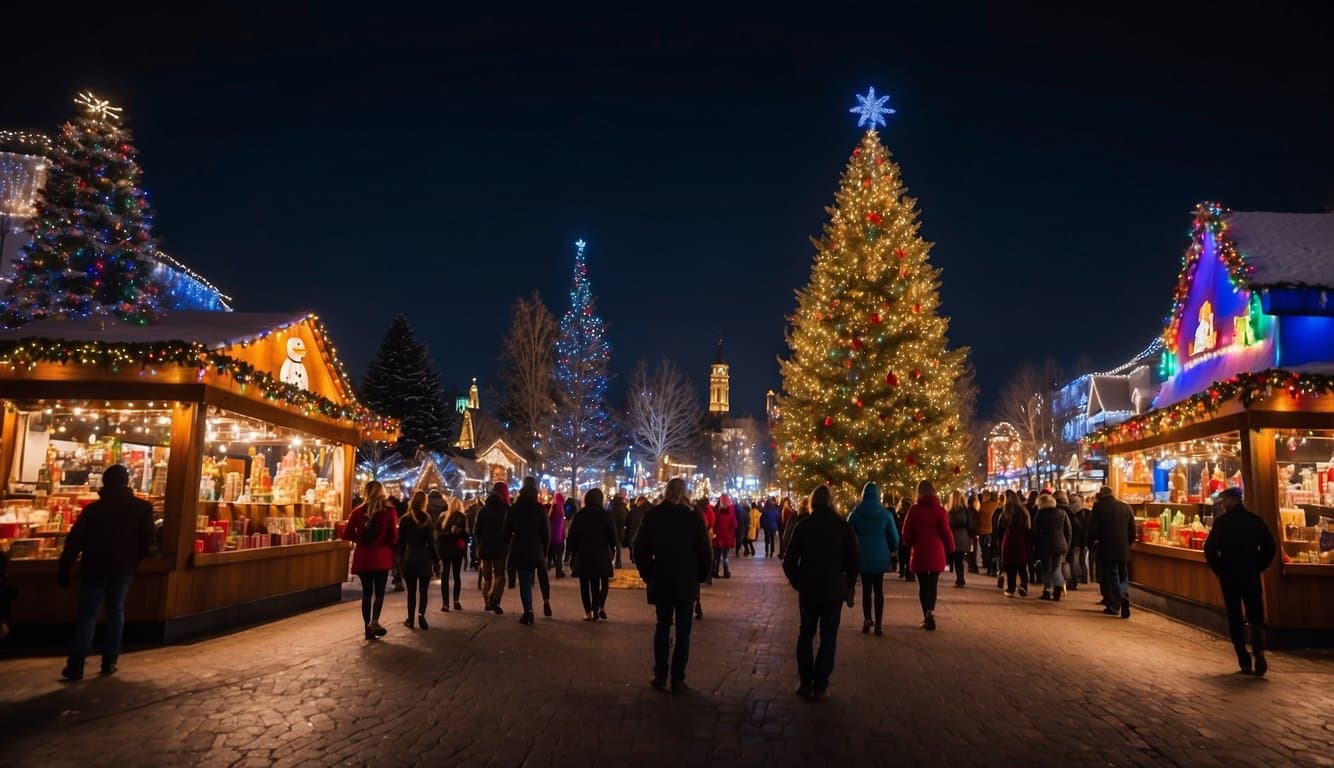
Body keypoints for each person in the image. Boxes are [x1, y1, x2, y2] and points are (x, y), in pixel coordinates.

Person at [57, 464, 155, 679]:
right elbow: (148, 539)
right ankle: (109, 661)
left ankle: (76, 665)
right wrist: (135, 559)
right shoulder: (142, 508)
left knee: (87, 615)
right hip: (123, 568)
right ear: (126, 482)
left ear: (105, 483)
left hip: (93, 567)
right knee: (116, 612)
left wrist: (64, 565)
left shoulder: (93, 510)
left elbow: (75, 540)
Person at [635, 478, 712, 694]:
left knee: (662, 625)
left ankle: (660, 673)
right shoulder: (693, 517)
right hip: (685, 580)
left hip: (662, 578)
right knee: (683, 630)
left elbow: (639, 549)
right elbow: (705, 551)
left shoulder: (654, 515)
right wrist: (699, 576)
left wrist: (648, 574)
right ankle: (677, 678)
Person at [783, 485, 859, 701]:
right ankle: (821, 683)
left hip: (809, 588)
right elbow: (853, 559)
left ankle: (806, 681)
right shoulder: (842, 527)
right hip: (834, 589)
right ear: (831, 502)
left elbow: (789, 561)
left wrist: (798, 581)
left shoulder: (803, 526)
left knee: (806, 632)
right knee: (829, 635)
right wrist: (848, 583)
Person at [1204, 487, 1278, 675]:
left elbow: (1210, 550)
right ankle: (1259, 650)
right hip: (1250, 574)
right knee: (1255, 616)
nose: (1223, 504)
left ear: (1232, 500)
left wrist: (1220, 569)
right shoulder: (1254, 521)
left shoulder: (1221, 523)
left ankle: (1243, 659)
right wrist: (1258, 565)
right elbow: (1270, 547)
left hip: (1229, 576)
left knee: (1235, 617)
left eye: (1225, 500)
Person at [341, 480, 399, 641]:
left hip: (363, 558)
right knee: (379, 593)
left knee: (367, 593)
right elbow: (394, 537)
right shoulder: (389, 511)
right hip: (381, 557)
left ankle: (367, 628)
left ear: (366, 492)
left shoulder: (358, 511)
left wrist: (360, 539)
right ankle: (375, 621)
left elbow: (346, 534)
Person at [901, 481, 954, 631]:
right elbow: (946, 532)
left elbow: (906, 533)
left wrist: (911, 543)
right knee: (933, 584)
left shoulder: (914, 511)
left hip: (920, 551)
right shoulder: (940, 511)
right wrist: (950, 549)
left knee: (923, 586)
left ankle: (926, 614)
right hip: (936, 551)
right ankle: (931, 610)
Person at [847, 481, 898, 635]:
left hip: (862, 554)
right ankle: (879, 624)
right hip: (880, 555)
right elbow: (894, 537)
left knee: (866, 590)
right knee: (879, 589)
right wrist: (893, 549)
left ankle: (867, 619)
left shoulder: (855, 513)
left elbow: (848, 533)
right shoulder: (886, 514)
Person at [503, 477, 551, 625]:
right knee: (542, 574)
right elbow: (546, 532)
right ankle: (546, 600)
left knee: (524, 580)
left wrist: (508, 544)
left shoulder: (515, 508)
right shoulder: (539, 508)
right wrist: (544, 550)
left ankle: (528, 611)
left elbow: (506, 530)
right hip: (536, 547)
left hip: (520, 547)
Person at [567, 488, 618, 621]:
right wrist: (613, 548)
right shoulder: (605, 515)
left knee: (584, 584)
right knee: (596, 582)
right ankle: (596, 609)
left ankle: (588, 611)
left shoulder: (580, 515)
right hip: (600, 553)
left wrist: (570, 553)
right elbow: (612, 535)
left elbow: (572, 536)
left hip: (583, 553)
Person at [1087, 486, 1136, 618]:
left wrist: (1091, 543)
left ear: (1101, 495)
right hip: (1123, 548)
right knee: (1123, 575)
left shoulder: (1098, 507)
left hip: (1106, 547)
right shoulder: (1125, 507)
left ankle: (1115, 605)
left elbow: (1093, 528)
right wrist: (1127, 543)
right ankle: (1124, 595)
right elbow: (1132, 530)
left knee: (1112, 575)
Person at [398, 491, 439, 629]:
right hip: (424, 557)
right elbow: (431, 543)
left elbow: (401, 543)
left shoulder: (404, 519)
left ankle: (410, 619)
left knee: (411, 592)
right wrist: (436, 560)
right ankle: (421, 615)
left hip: (410, 557)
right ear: (424, 503)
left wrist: (399, 560)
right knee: (423, 591)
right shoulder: (427, 519)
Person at [474, 483, 510, 614]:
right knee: (500, 575)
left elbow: (476, 531)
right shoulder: (506, 509)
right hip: (500, 547)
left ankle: (486, 602)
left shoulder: (482, 510)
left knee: (486, 576)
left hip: (485, 547)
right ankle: (494, 597)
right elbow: (510, 529)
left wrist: (479, 543)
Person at [1033, 493, 1072, 601]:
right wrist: (1067, 544)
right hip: (1060, 544)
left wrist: (1036, 546)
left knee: (1046, 569)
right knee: (1056, 568)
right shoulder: (1062, 512)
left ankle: (1047, 590)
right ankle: (1058, 588)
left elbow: (1035, 531)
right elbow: (1068, 530)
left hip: (1046, 544)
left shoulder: (1040, 514)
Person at [436, 496, 469, 611]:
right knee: (456, 576)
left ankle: (445, 603)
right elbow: (466, 536)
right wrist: (457, 534)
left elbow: (438, 535)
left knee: (445, 576)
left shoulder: (443, 516)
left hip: (445, 550)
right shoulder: (462, 517)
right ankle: (456, 601)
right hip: (457, 551)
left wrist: (447, 535)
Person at [1000, 490, 1031, 598]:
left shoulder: (1006, 512)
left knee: (1010, 567)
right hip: (1021, 541)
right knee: (1022, 566)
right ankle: (1023, 586)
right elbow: (1028, 528)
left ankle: (1011, 588)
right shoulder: (1023, 512)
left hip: (1009, 541)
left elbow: (1000, 527)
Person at [947, 490, 973, 588]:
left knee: (957, 559)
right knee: (960, 559)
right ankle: (960, 579)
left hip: (954, 537)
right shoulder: (965, 510)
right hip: (964, 536)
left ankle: (960, 580)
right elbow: (969, 524)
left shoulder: (951, 512)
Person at [1066, 493, 1090, 591]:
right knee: (1081, 560)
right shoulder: (1087, 513)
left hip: (1076, 542)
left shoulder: (1072, 514)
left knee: (1075, 562)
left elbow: (1077, 530)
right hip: (1083, 542)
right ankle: (1084, 578)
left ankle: (1075, 581)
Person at [711, 495, 738, 579]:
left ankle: (715, 572)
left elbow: (713, 524)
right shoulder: (731, 513)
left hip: (717, 537)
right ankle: (726, 572)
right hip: (726, 538)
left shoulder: (716, 512)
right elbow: (734, 525)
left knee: (716, 557)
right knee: (725, 556)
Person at [978, 490, 999, 577]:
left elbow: (979, 518)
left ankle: (988, 567)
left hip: (984, 531)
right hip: (992, 531)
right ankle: (994, 568)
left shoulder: (984, 506)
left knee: (985, 550)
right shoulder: (997, 505)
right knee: (993, 551)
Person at [548, 492, 568, 578]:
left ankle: (551, 565)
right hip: (559, 537)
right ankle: (559, 571)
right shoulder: (560, 512)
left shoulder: (552, 510)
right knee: (559, 554)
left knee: (552, 552)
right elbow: (561, 526)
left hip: (552, 537)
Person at [894, 498, 914, 582]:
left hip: (901, 537)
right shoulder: (911, 514)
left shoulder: (899, 515)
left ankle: (903, 571)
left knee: (903, 555)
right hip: (909, 537)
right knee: (908, 555)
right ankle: (909, 573)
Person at [610, 493, 630, 569]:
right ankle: (618, 562)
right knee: (618, 547)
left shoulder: (612, 507)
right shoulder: (623, 508)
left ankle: (610, 560)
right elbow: (626, 518)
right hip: (620, 529)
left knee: (611, 545)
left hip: (612, 528)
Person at [627, 496, 649, 563]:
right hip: (644, 531)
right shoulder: (649, 510)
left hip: (633, 530)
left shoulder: (633, 511)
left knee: (633, 544)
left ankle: (634, 557)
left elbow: (627, 521)